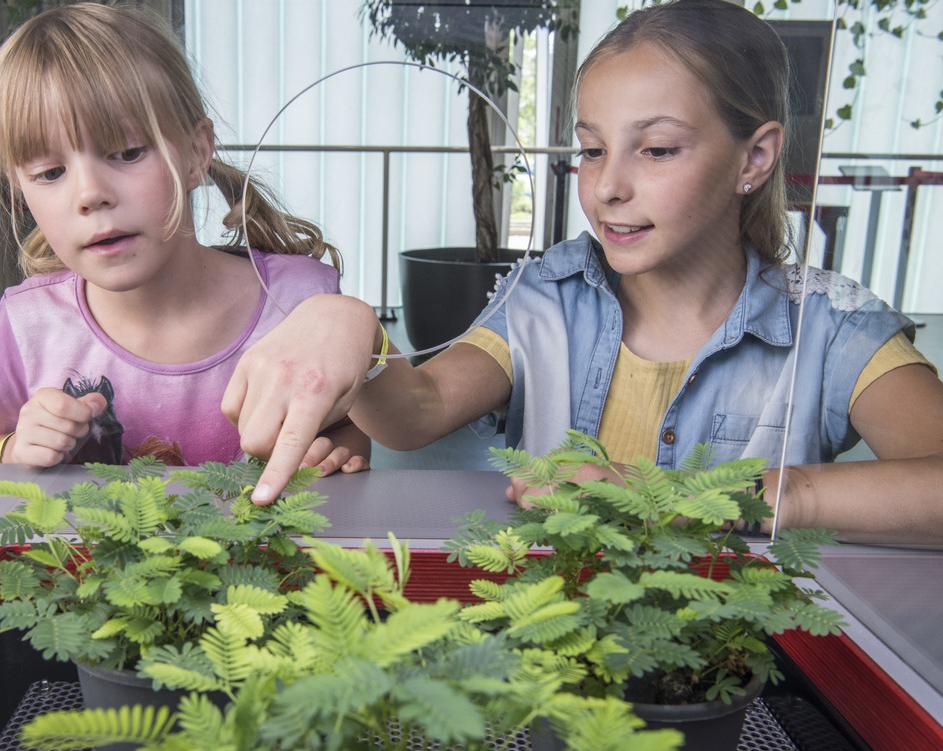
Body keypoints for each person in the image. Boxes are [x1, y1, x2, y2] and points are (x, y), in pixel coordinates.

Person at [223, 0, 943, 541]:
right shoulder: (548, 296)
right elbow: (417, 413)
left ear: (754, 159)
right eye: (591, 150)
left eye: (656, 149)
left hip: (737, 678)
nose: (606, 188)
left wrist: (696, 496)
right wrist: (352, 326)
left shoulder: (831, 328)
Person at [0, 3, 368, 473]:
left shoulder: (304, 305)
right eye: (50, 172)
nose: (90, 194)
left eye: (128, 152)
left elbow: (353, 427)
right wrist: (13, 449)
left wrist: (339, 453)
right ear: (20, 189)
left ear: (196, 154)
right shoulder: (27, 324)